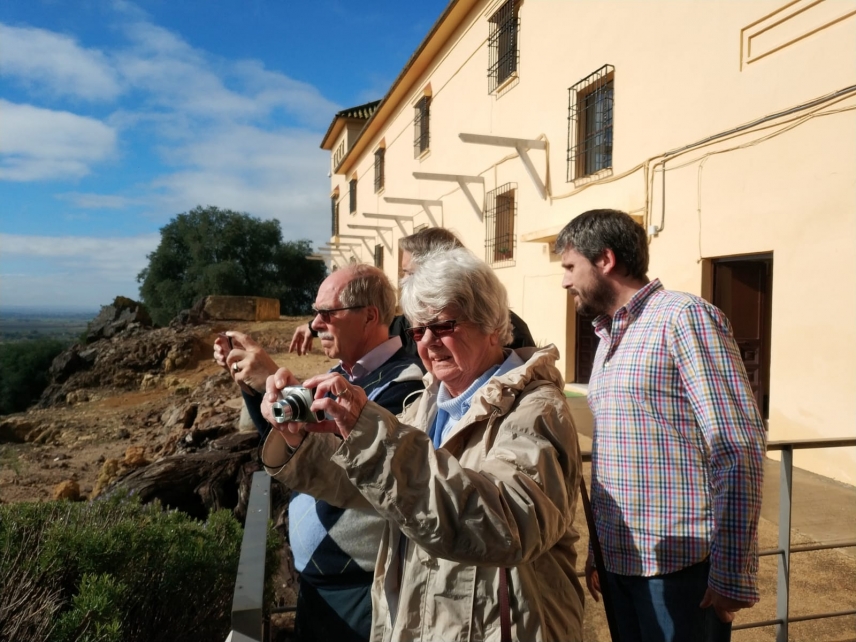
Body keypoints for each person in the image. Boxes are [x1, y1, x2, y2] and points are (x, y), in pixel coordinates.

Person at [261, 247, 585, 641]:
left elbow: (506, 523)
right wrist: (299, 440)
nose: (427, 342)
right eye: (417, 330)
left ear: (491, 324)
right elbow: (371, 487)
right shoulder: (429, 403)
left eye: (444, 326)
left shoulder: (536, 410)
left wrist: (372, 435)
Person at [555, 209, 766, 641]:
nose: (565, 281)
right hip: (621, 565)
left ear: (606, 260)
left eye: (570, 267)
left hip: (681, 572)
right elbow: (617, 453)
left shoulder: (684, 317)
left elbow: (738, 446)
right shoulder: (608, 335)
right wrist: (599, 551)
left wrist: (731, 572)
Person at [214, 264, 425, 642]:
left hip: (362, 587)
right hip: (319, 583)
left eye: (328, 313)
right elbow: (290, 442)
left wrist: (272, 378)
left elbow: (354, 464)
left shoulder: (407, 385)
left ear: (370, 317)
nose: (314, 324)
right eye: (315, 313)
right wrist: (253, 385)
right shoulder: (339, 374)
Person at [288, 227, 535, 356]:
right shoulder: (407, 325)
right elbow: (366, 320)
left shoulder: (513, 331)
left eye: (409, 273)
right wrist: (314, 325)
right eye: (420, 332)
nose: (427, 340)